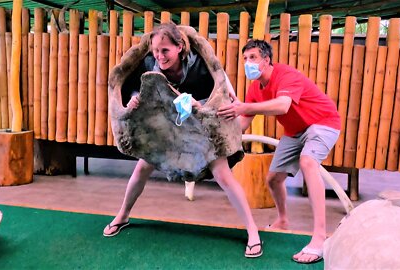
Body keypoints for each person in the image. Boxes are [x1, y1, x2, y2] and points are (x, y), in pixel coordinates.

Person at [104, 23, 263, 258]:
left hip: (200, 127)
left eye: (165, 50)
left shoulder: (199, 66)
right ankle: (123, 215)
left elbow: (217, 90)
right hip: (166, 130)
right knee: (141, 169)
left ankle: (253, 231)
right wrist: (134, 99)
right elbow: (132, 87)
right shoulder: (149, 63)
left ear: (179, 47)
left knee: (223, 175)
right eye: (156, 50)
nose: (159, 56)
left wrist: (201, 104)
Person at [217, 39, 341, 264]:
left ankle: (320, 238)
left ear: (266, 60)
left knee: (308, 162)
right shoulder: (255, 88)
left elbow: (282, 105)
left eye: (253, 58)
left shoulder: (286, 75)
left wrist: (245, 106)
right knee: (273, 179)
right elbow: (242, 123)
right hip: (295, 131)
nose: (248, 63)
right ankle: (283, 220)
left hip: (323, 122)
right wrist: (220, 126)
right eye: (245, 59)